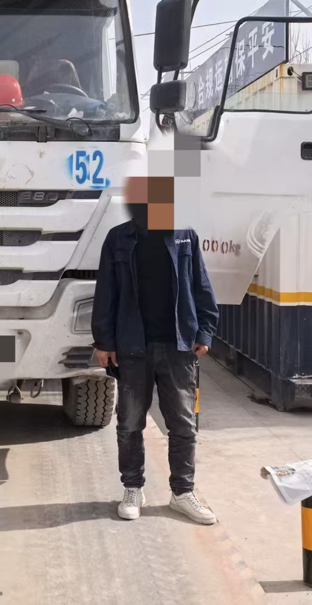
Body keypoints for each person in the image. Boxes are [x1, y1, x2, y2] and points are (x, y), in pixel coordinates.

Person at [91, 175, 220, 524]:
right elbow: (106, 292)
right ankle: (133, 488)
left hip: (178, 344)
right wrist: (103, 341)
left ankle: (182, 493)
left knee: (183, 423)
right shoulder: (118, 238)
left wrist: (205, 331)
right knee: (130, 422)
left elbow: (201, 286)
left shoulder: (185, 236)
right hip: (133, 345)